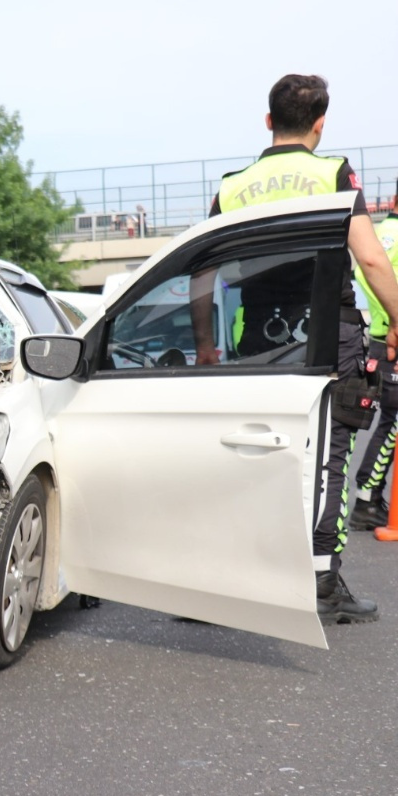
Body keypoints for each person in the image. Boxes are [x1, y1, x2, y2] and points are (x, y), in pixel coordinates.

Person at [192, 74, 398, 623]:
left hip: (257, 339)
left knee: (252, 453)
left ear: (268, 121)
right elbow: (373, 261)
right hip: (328, 333)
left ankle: (229, 579)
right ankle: (320, 581)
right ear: (320, 123)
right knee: (327, 458)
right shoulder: (332, 173)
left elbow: (203, 268)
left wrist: (206, 346)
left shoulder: (233, 184)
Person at [351, 183, 398, 540]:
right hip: (392, 338)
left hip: (384, 336)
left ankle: (369, 498)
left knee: (390, 420)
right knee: (393, 422)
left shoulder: (379, 235)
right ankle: (367, 500)